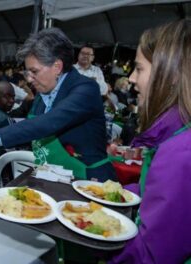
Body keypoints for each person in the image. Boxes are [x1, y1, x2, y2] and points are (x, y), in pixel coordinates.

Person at [0, 28, 115, 181]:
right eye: (28, 73)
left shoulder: (86, 89)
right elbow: (30, 127)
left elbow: (49, 122)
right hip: (52, 175)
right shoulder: (43, 90)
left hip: (88, 181)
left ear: (57, 67)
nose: (29, 79)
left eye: (34, 71)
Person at [111, 19, 191, 263]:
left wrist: (93, 239)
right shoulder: (177, 135)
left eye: (139, 68)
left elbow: (150, 255)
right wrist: (114, 194)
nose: (132, 78)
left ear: (172, 74)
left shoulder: (179, 153)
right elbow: (164, 198)